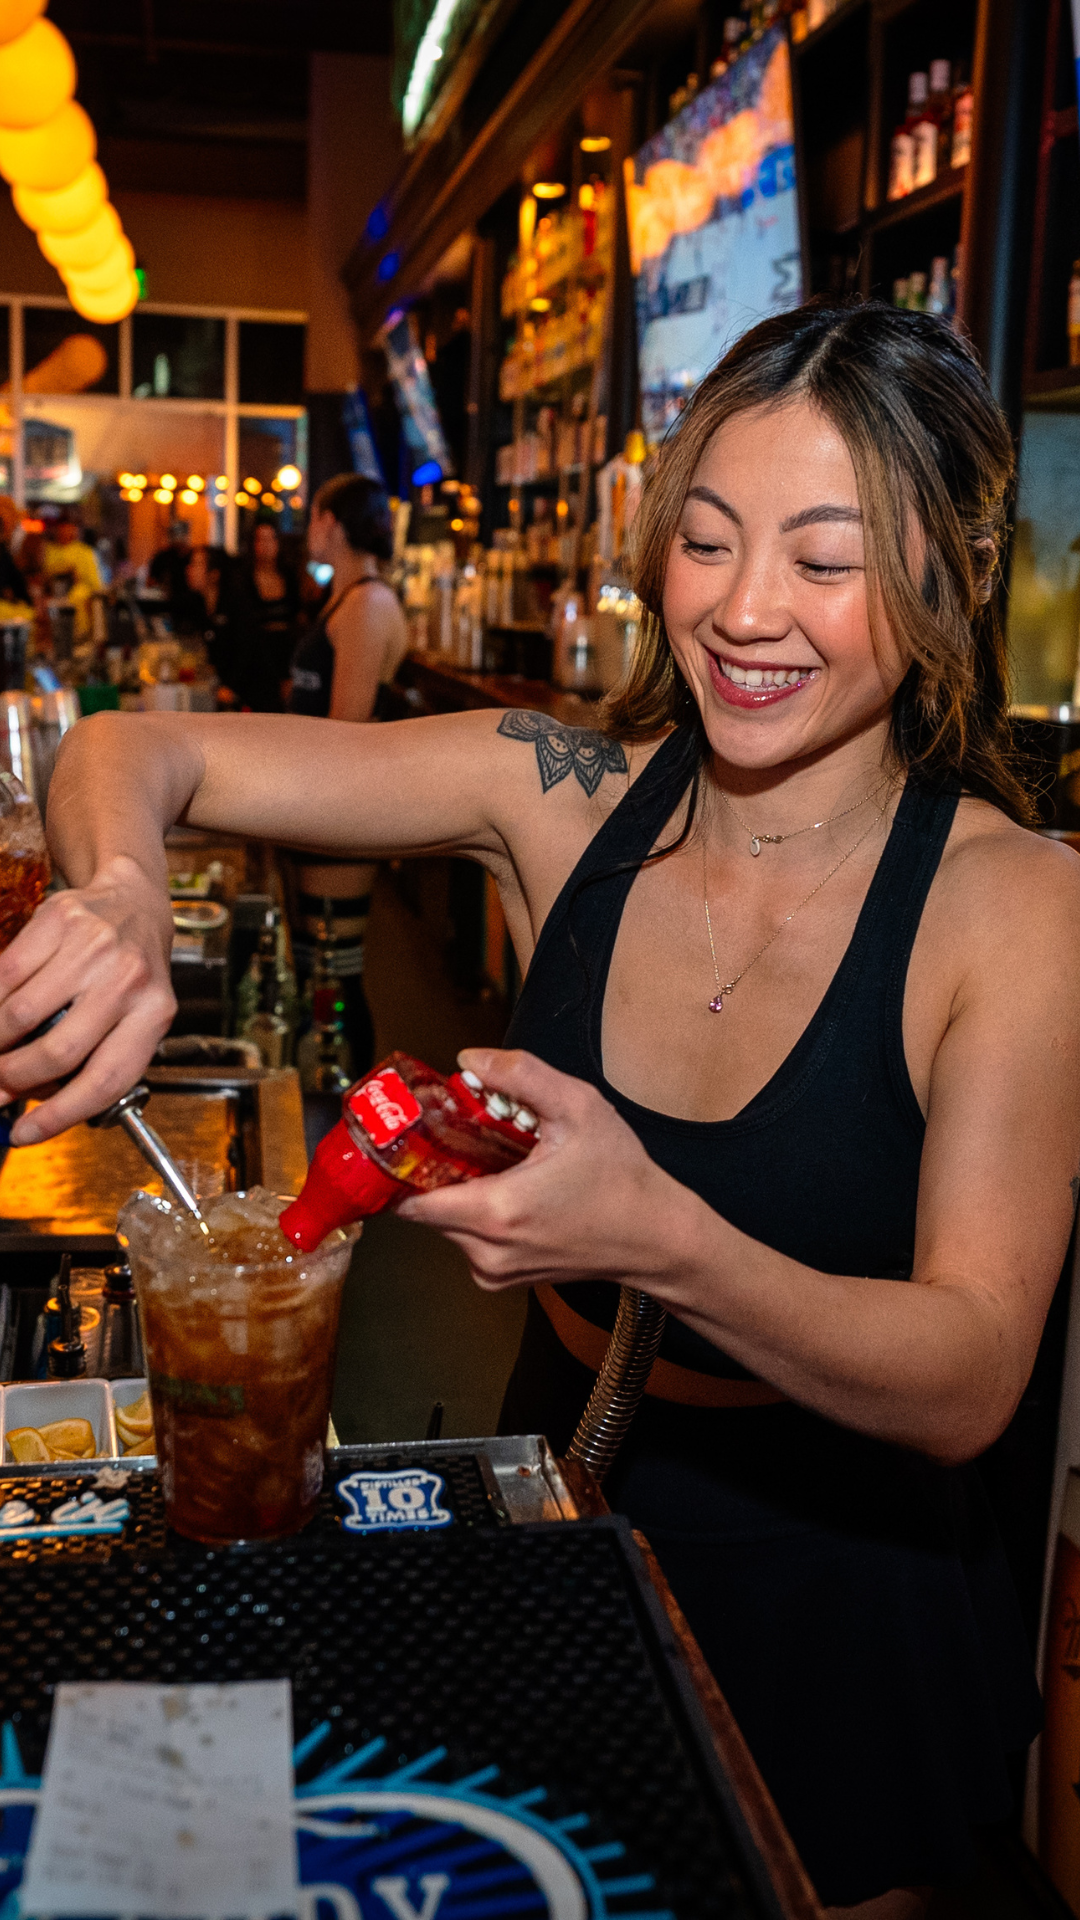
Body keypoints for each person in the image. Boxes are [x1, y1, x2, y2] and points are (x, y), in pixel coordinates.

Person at [4, 300, 1080, 1917]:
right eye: (707, 542)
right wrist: (126, 893)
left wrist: (662, 1239)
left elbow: (971, 1374)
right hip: (552, 1500)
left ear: (950, 575)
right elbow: (132, 749)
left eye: (824, 558)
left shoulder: (1014, 904)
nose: (744, 610)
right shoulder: (556, 790)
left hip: (841, 1598)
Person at [286, 473, 408, 1073]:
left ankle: (352, 1112)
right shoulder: (346, 597)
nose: (307, 529)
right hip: (319, 809)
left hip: (340, 816)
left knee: (334, 971)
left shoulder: (368, 604)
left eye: (312, 515)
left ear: (331, 522)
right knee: (318, 968)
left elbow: (346, 729)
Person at [230, 517, 300, 712]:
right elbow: (244, 627)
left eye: (270, 539)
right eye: (260, 540)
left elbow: (296, 619)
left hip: (285, 652)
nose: (265, 546)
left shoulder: (289, 575)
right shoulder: (243, 579)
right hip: (256, 659)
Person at [182, 545, 237, 704]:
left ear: (214, 574)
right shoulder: (199, 605)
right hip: (219, 691)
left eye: (197, 564)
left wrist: (230, 687)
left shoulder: (235, 606)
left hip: (247, 699)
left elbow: (246, 653)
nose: (189, 569)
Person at [43, 508, 103, 641]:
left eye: (69, 529)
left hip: (78, 592)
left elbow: (95, 584)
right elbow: (42, 575)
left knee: (77, 596)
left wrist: (76, 577)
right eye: (62, 529)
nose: (65, 532)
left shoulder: (85, 552)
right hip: (51, 592)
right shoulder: (47, 550)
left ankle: (78, 637)